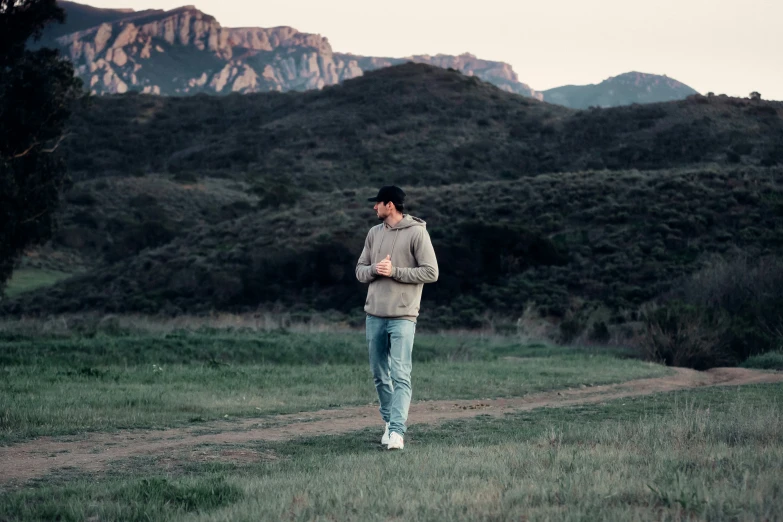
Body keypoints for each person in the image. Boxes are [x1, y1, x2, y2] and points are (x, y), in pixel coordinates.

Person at [355, 186, 439, 450]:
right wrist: (373, 270)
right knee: (380, 374)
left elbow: (431, 272)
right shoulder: (373, 233)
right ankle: (391, 422)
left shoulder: (417, 232)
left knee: (400, 374)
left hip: (403, 315)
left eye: (377, 203)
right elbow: (359, 270)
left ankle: (397, 433)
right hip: (374, 314)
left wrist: (395, 272)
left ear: (389, 205)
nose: (374, 208)